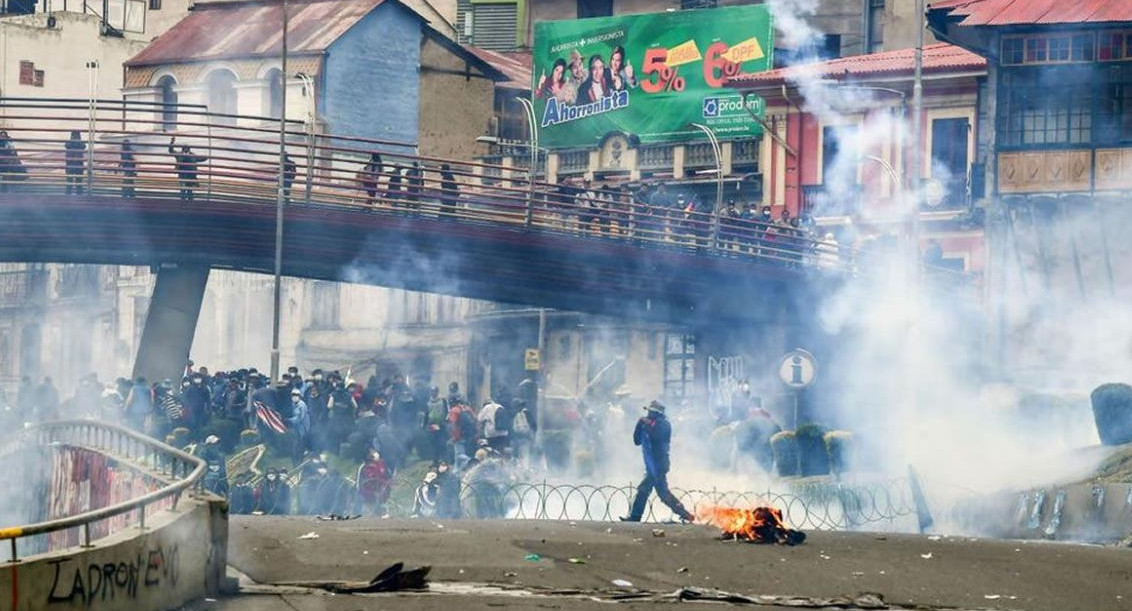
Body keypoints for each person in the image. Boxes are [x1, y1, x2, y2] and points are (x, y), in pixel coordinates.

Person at [621, 401, 694, 523]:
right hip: (651, 465)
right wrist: (639, 425)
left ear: (656, 413)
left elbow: (656, 437)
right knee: (663, 494)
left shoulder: (664, 425)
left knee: (643, 490)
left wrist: (647, 424)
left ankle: (635, 517)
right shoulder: (648, 423)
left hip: (660, 465)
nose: (648, 414)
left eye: (651, 412)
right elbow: (637, 441)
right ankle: (686, 515)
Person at [356, 448, 392, 517]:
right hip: (368, 499)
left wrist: (385, 491)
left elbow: (388, 480)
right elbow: (359, 487)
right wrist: (372, 494)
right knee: (370, 516)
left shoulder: (381, 465)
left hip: (382, 496)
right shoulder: (364, 468)